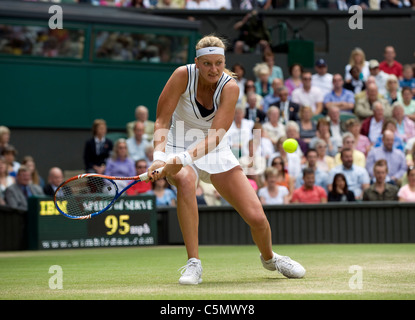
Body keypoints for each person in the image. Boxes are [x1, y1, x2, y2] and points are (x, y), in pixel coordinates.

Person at [147, 35, 305, 285]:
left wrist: (184, 158)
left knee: (257, 218)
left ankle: (270, 258)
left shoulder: (230, 87)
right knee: (186, 181)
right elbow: (161, 121)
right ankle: (193, 264)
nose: (214, 69)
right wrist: (159, 157)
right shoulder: (181, 75)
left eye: (219, 63)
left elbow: (215, 136)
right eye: (207, 63)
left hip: (215, 148)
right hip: (177, 142)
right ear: (197, 63)